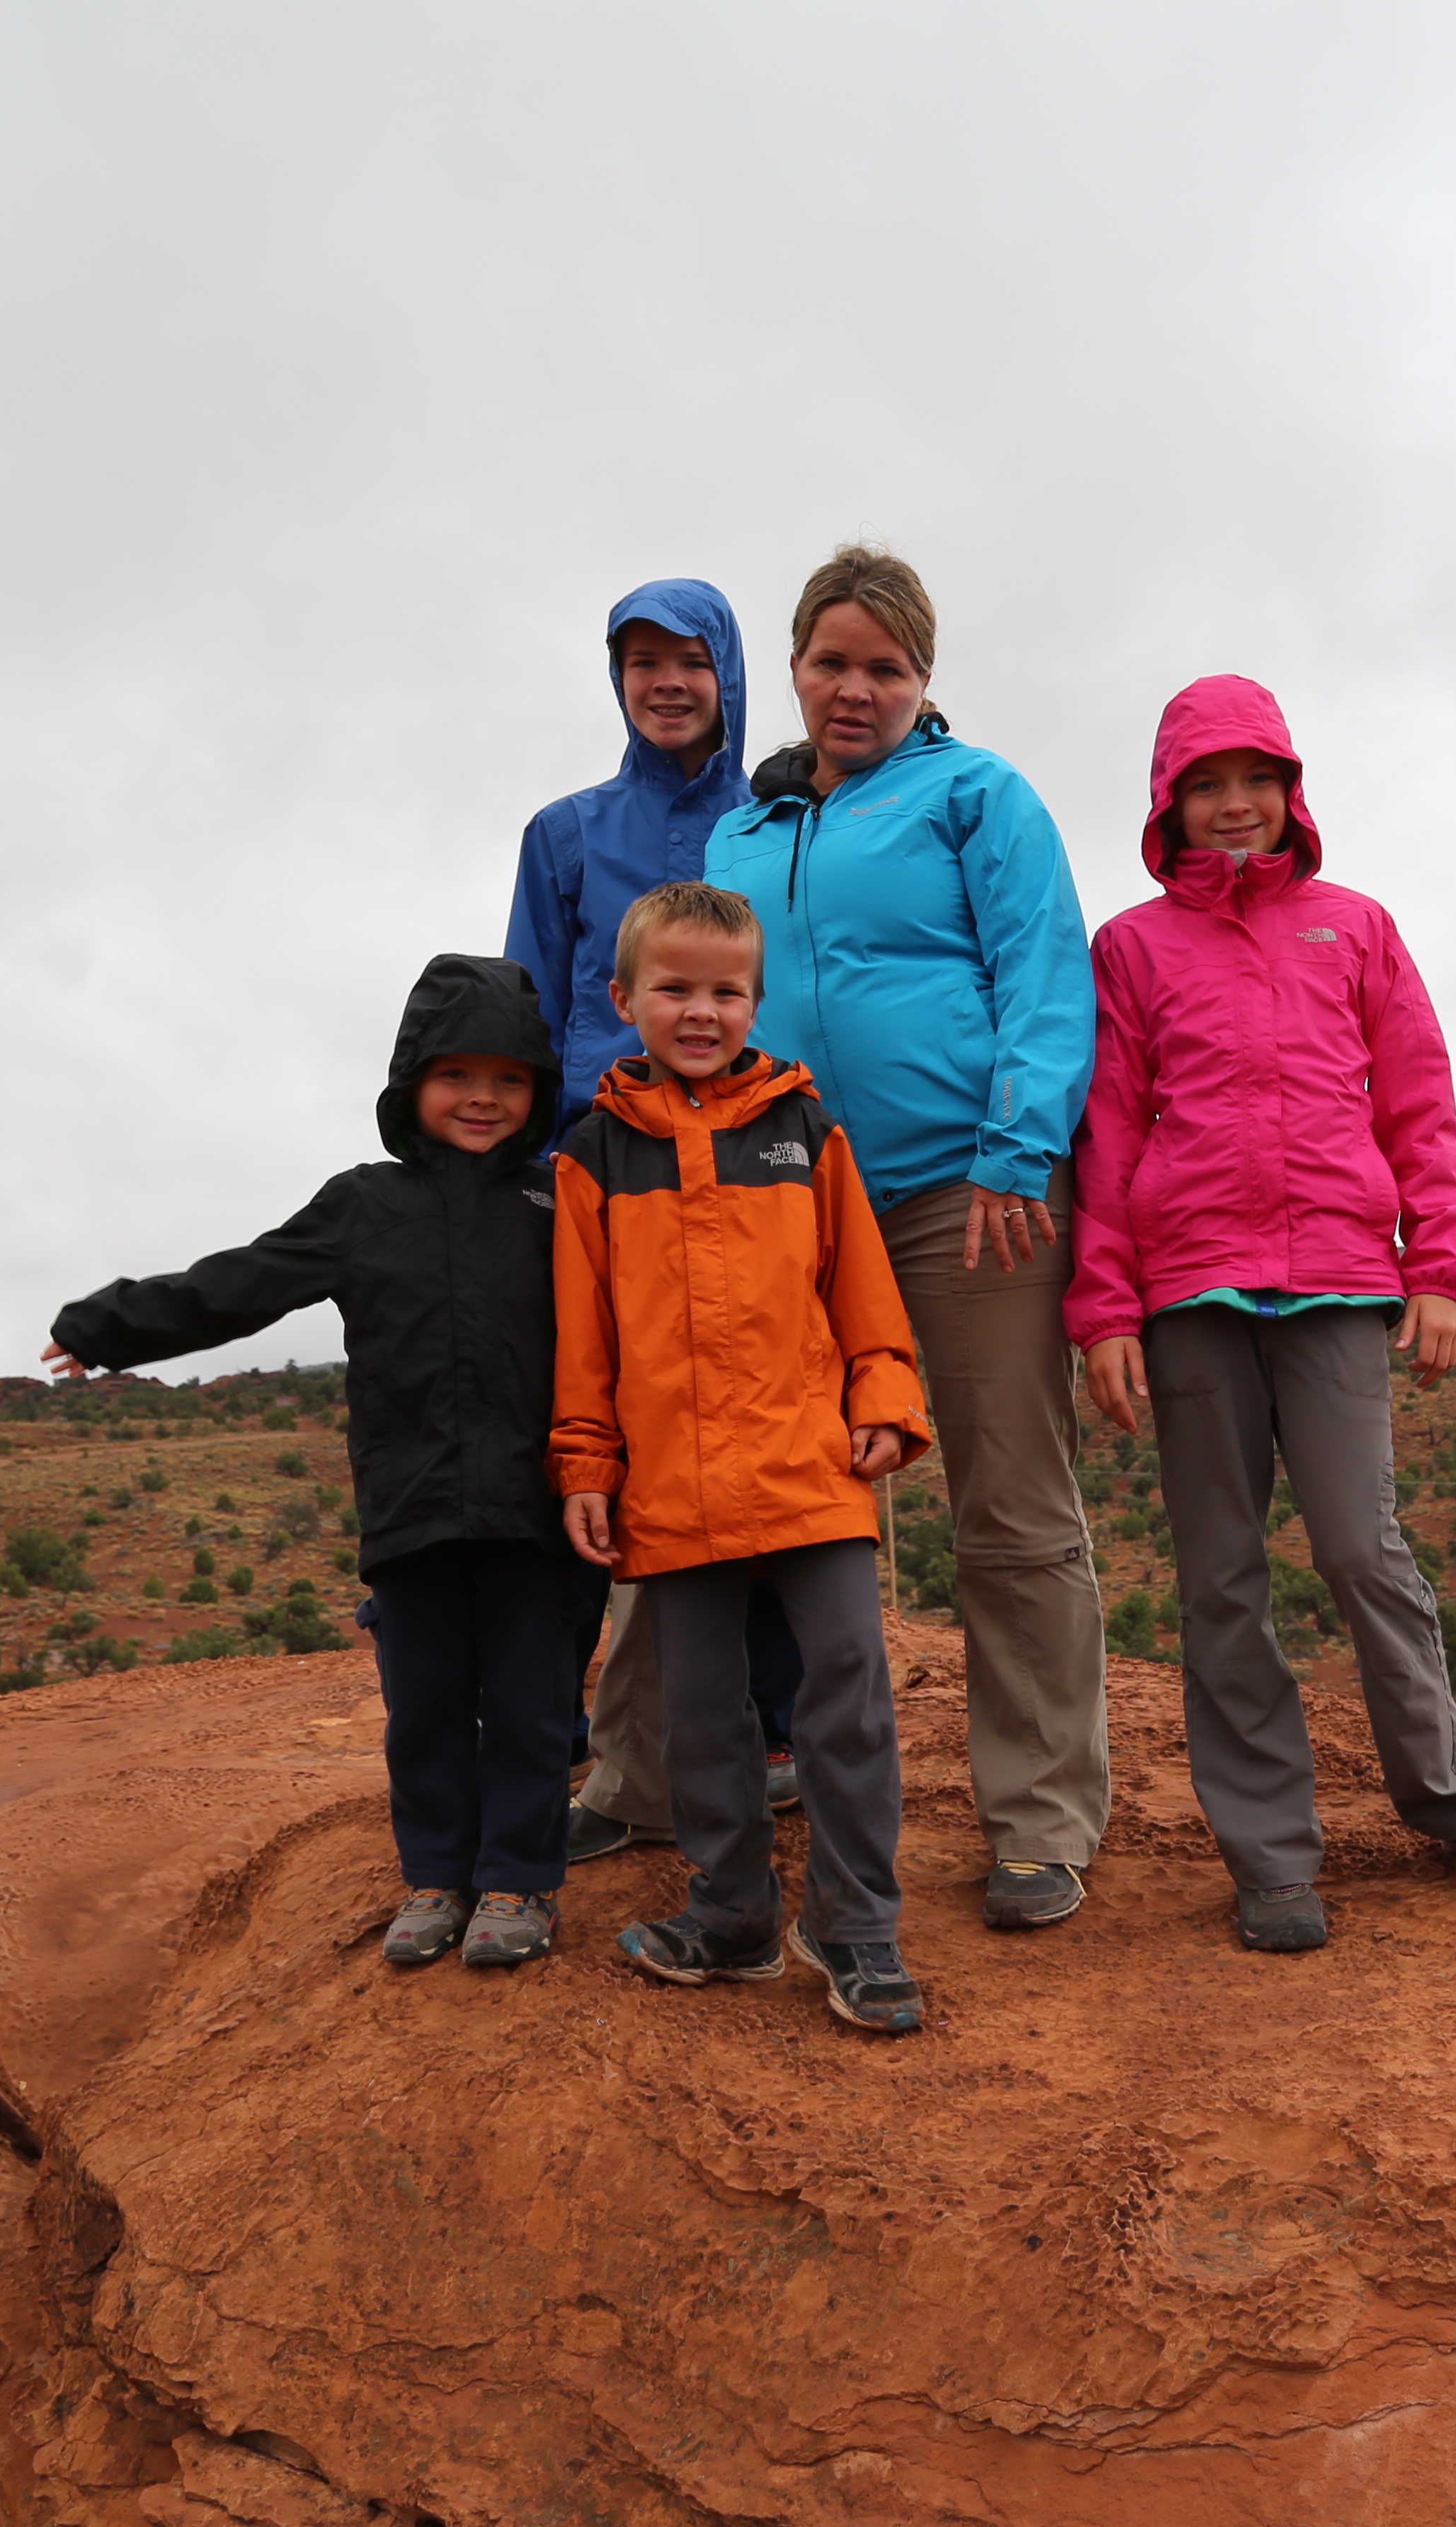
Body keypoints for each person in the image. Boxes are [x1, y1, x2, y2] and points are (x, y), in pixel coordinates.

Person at [1066, 677, 1456, 1952]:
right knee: (1221, 1578)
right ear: (1170, 805)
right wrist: (1104, 1308)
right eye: (1206, 786)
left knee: (1359, 1546)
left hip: (1342, 1276)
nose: (1235, 807)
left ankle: (1450, 1794)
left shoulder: (1358, 929)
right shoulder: (1131, 948)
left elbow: (1418, 1100)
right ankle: (1272, 1857)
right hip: (1189, 1290)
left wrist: (1442, 1266)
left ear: (1292, 791)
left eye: (1256, 781)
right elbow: (1110, 1134)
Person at [703, 545, 1109, 1933]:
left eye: (885, 666)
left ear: (924, 679)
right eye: (832, 661)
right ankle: (827, 1796)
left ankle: (1041, 1823)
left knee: (1008, 1506)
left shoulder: (979, 795)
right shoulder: (742, 839)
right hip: (794, 1206)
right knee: (812, 1512)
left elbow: (1046, 971)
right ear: (798, 667)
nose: (854, 688)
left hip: (966, 1196)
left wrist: (1017, 1146)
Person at [43, 954, 593, 1971]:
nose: (482, 1098)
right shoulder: (360, 1206)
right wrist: (112, 1327)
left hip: (537, 1508)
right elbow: (245, 1282)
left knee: (530, 1702)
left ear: (538, 1092)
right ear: (410, 1084)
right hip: (412, 1503)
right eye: (456, 1077)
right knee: (425, 1705)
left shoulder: (561, 1202)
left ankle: (519, 1882)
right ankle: (436, 1877)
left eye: (509, 1080)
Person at [553, 880, 934, 2035]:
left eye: (726, 991)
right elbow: (585, 1336)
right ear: (625, 1000)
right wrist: (585, 1462)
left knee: (849, 1700)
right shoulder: (594, 1154)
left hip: (809, 1462)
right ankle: (729, 1918)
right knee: (704, 1714)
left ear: (757, 1001)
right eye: (674, 989)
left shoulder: (805, 1131)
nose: (701, 1012)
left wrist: (884, 1392)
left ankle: (856, 1923)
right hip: (669, 1478)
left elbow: (859, 1284)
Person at [500, 577, 804, 1858]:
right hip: (594, 1157)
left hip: (751, 1157)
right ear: (616, 681)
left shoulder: (776, 820)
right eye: (642, 664)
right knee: (596, 1433)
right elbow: (522, 995)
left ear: (730, 673)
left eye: (691, 661)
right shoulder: (567, 831)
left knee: (760, 1426)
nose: (667, 683)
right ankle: (598, 1756)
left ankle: (776, 1736)